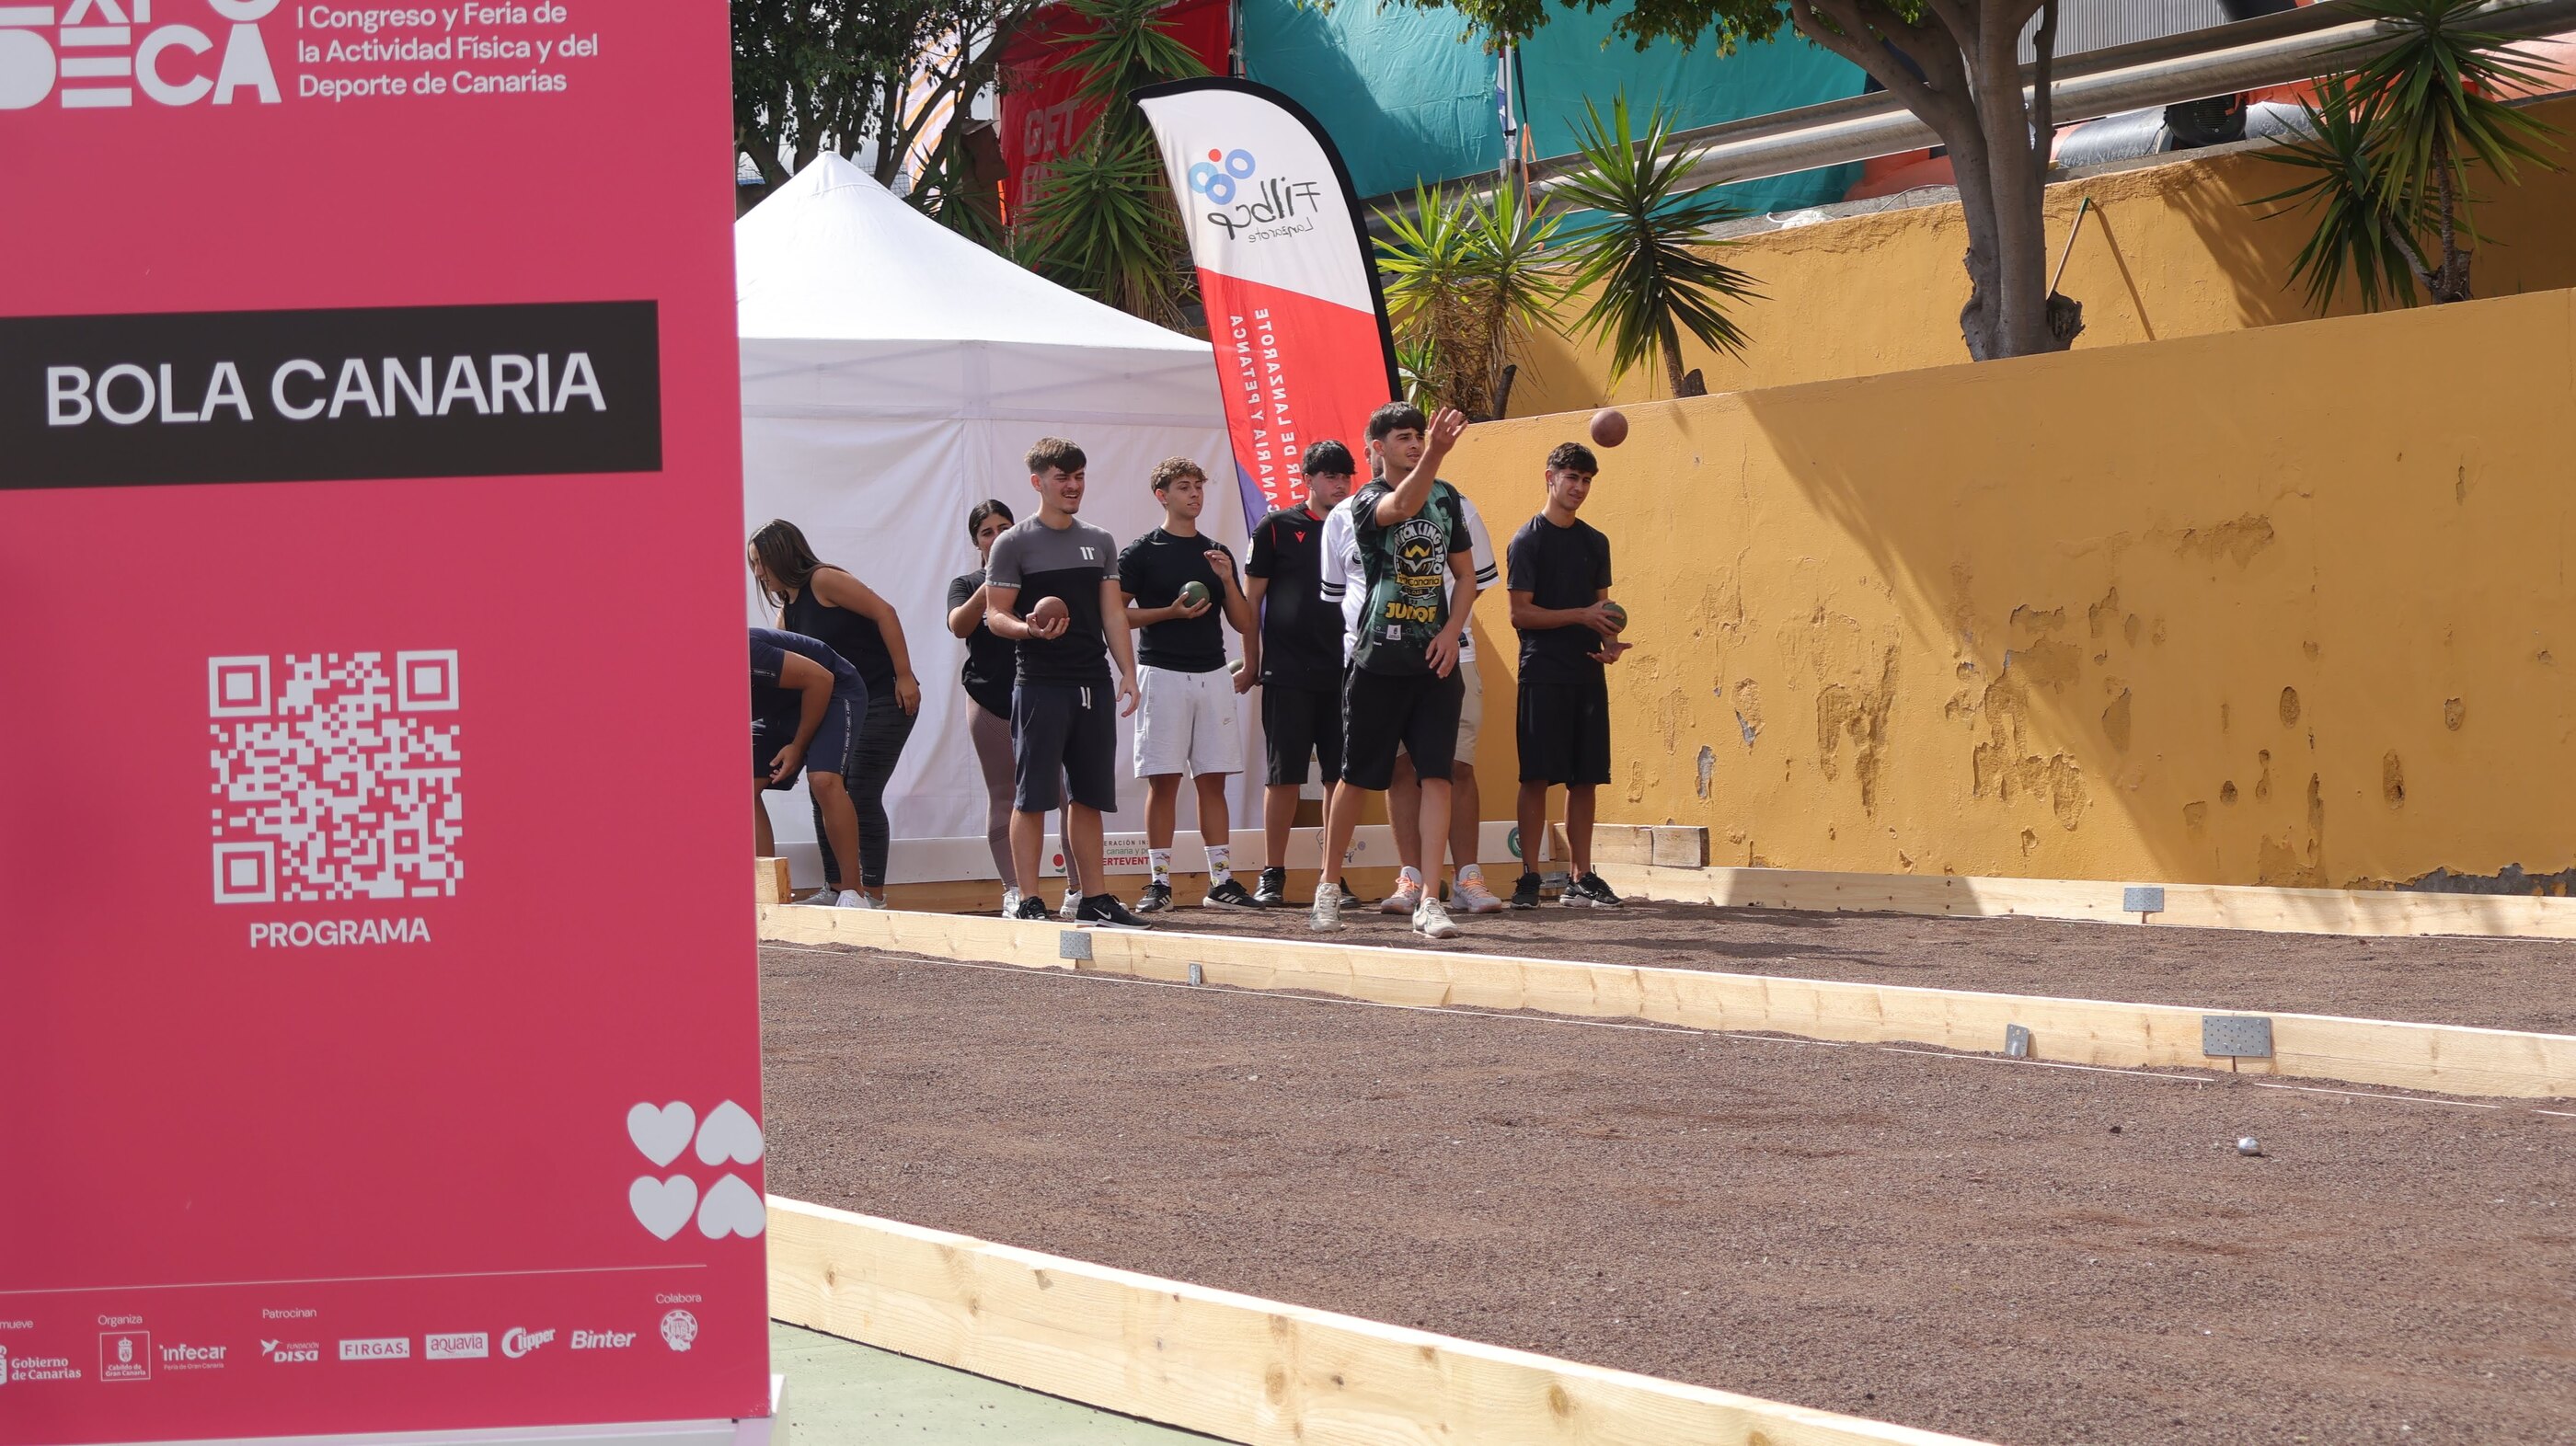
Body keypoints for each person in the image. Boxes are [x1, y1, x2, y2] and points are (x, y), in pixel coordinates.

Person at [1322, 405, 1505, 916]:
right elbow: (1401, 506)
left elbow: (1467, 576)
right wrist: (1439, 453)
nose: (1416, 444)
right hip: (1377, 660)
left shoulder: (1448, 499)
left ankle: (1430, 898)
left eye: (1420, 436)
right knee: (1358, 776)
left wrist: (1451, 631)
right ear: (1377, 447)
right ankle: (1328, 887)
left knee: (1440, 774)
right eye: (1404, 437)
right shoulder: (1365, 500)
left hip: (1436, 662)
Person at [983, 437, 1151, 929]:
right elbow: (994, 614)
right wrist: (1027, 629)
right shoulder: (1013, 543)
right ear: (1038, 482)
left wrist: (1127, 671)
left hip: (1092, 681)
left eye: (1079, 477)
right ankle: (1029, 900)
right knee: (1032, 796)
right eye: (1063, 478)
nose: (1074, 486)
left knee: (1090, 797)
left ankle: (1094, 898)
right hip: (1039, 682)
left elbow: (1112, 613)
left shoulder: (1100, 540)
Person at [749, 520, 923, 909]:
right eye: (753, 564)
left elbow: (884, 612)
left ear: (782, 554)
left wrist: (904, 674)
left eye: (761, 561)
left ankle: (871, 894)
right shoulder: (786, 612)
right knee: (824, 788)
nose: (757, 573)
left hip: (882, 697)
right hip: (830, 704)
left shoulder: (823, 580)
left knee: (858, 791)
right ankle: (837, 887)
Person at [1117, 457, 1259, 912]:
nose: (1195, 493)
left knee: (1212, 780)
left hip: (1213, 674)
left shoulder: (1216, 551)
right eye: (1184, 486)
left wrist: (1227, 580)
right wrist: (1169, 613)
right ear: (1162, 496)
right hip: (1161, 674)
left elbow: (1243, 622)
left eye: (1199, 485)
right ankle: (1159, 884)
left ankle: (1221, 881)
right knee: (1164, 782)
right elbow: (1115, 615)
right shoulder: (1141, 552)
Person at [946, 499, 1089, 919]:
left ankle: (1080, 891)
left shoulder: (1036, 578)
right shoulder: (967, 582)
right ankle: (1015, 892)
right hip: (990, 702)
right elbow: (959, 625)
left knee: (1067, 796)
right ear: (976, 541)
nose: (996, 537)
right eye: (987, 532)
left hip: (1044, 698)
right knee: (1005, 796)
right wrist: (990, 581)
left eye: (1004, 528)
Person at [1507, 442, 1630, 908]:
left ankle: (1582, 876)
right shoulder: (1527, 540)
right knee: (1536, 776)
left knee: (1585, 778)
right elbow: (1520, 614)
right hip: (1541, 671)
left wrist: (1609, 643)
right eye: (1572, 478)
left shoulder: (1596, 542)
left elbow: (1604, 610)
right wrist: (1581, 616)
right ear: (1550, 478)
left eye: (1586, 480)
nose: (1579, 487)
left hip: (1586, 673)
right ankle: (1530, 876)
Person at [1241, 440, 1361, 909]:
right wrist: (1252, 662)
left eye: (1345, 476)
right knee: (1283, 775)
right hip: (1287, 672)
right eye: (1330, 476)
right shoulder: (1275, 527)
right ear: (1307, 479)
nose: (1339, 484)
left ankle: (1333, 876)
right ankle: (1273, 873)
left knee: (1339, 777)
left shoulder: (1359, 525)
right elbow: (1251, 603)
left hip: (1344, 671)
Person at [748, 627, 869, 910]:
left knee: (823, 779)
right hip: (783, 704)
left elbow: (821, 679)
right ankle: (766, 895)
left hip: (834, 689)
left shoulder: (742, 650)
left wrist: (798, 746)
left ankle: (854, 893)